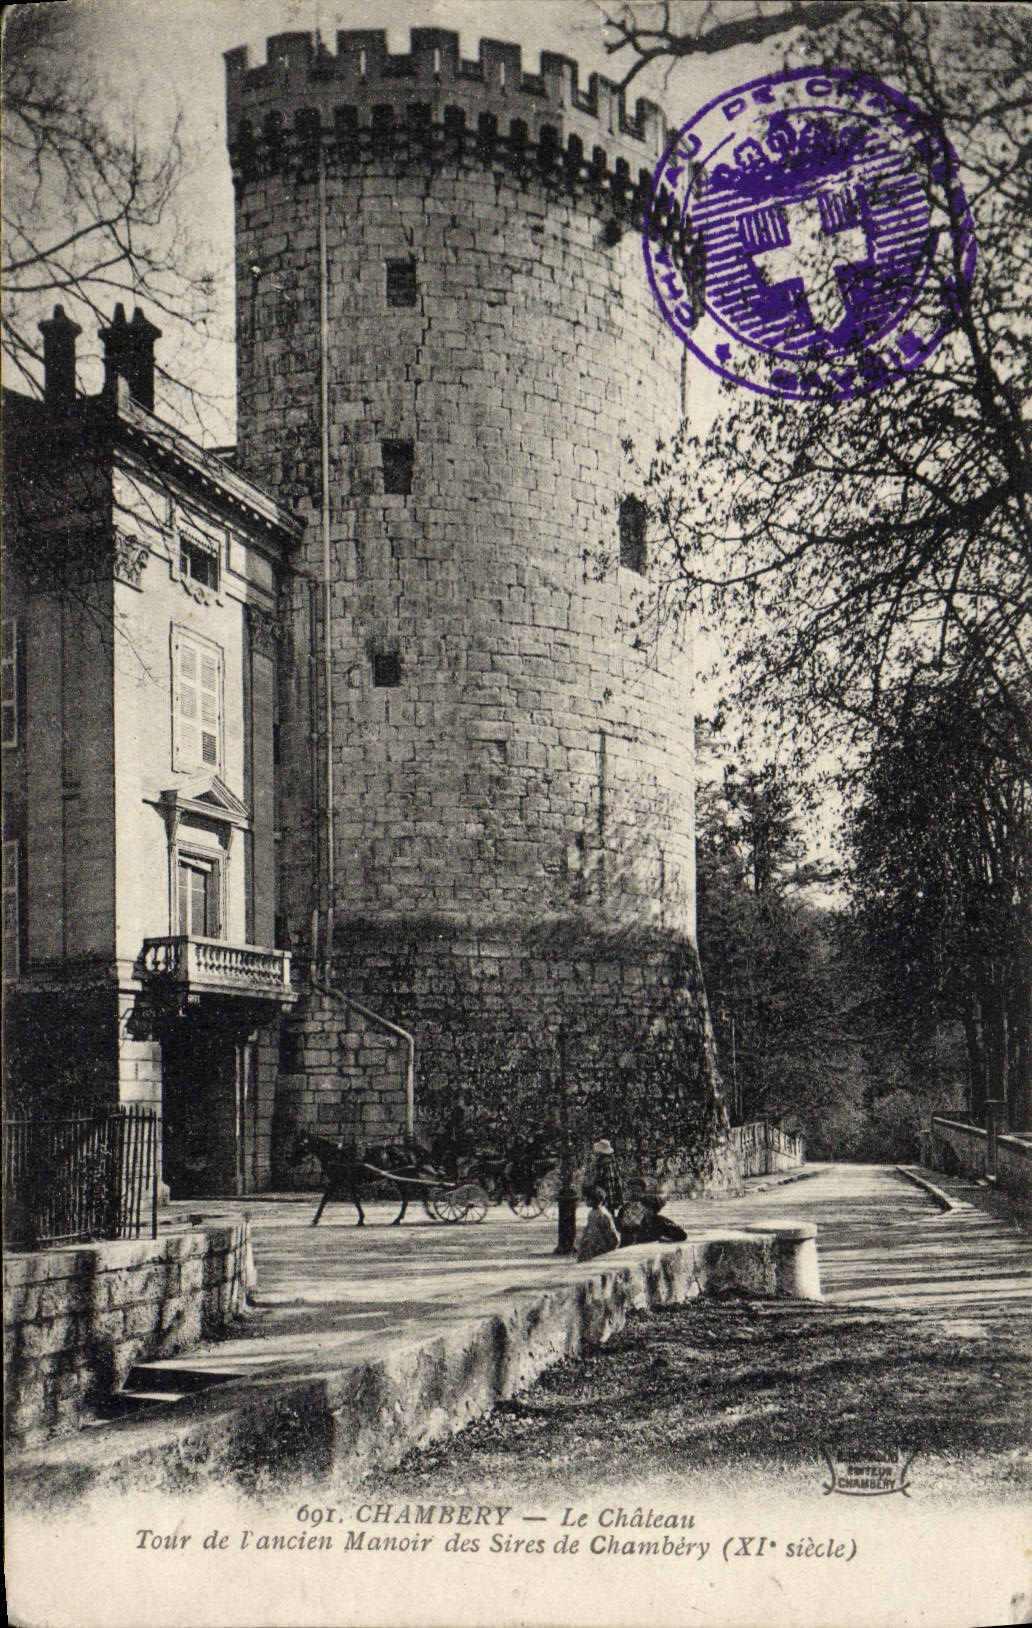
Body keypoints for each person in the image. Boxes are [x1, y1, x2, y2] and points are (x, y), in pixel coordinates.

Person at [616, 1191, 687, 1247]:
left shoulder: (656, 1223)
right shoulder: (622, 1213)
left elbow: (681, 1234)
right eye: (634, 1208)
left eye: (638, 1211)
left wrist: (659, 1236)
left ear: (650, 1213)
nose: (629, 1213)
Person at [575, 1184, 620, 1262]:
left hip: (600, 1245)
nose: (586, 1200)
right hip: (593, 1245)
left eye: (588, 1198)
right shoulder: (594, 1212)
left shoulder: (601, 1214)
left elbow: (611, 1232)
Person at [582, 1138, 623, 1213]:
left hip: (604, 1191)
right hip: (612, 1190)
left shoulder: (600, 1163)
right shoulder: (614, 1162)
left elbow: (598, 1177)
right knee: (611, 1211)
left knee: (602, 1211)